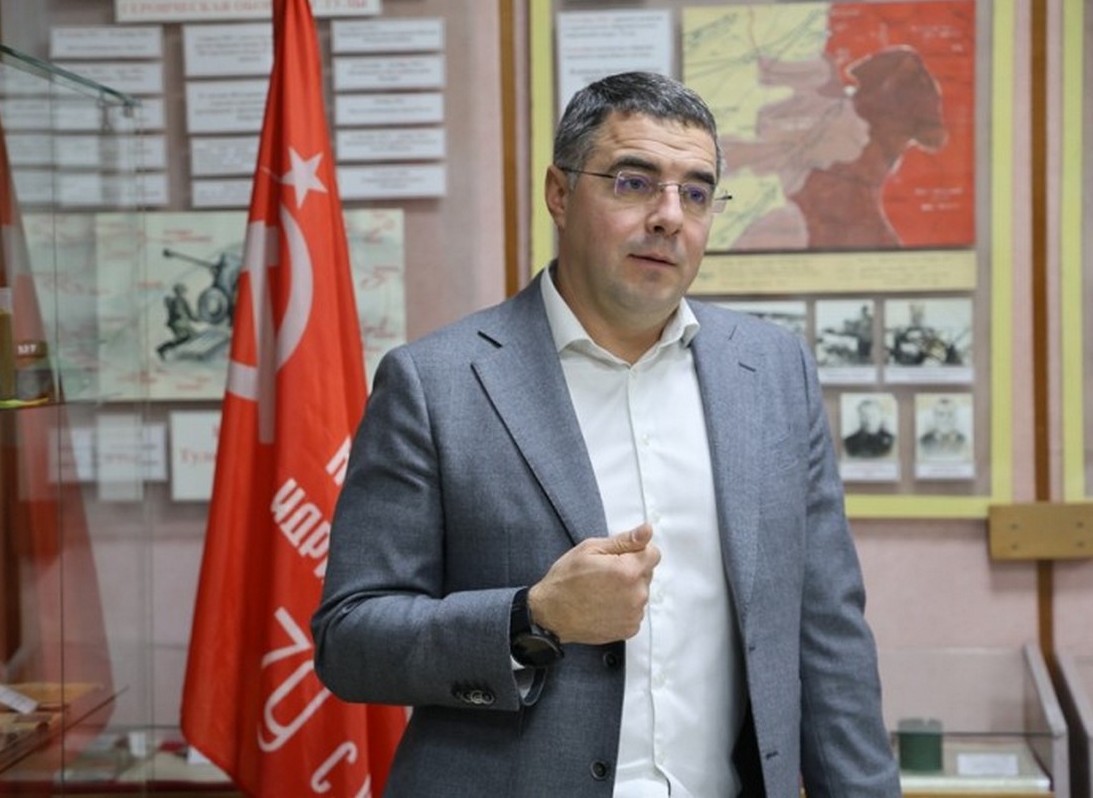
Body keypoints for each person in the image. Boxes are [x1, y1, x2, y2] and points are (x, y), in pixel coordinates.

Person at [312, 71, 900, 797]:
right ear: (560, 194)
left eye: (696, 192)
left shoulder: (774, 372)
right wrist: (532, 618)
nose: (669, 217)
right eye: (634, 183)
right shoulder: (436, 384)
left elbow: (830, 636)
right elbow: (351, 640)